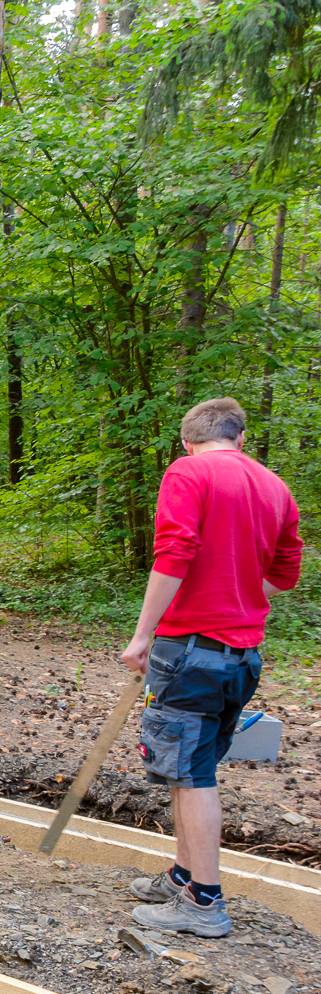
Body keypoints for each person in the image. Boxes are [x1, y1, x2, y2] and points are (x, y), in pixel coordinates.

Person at [122, 398, 303, 939]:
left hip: (191, 651)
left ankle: (203, 900)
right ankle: (183, 876)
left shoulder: (188, 472)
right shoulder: (274, 486)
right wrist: (239, 595)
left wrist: (143, 634)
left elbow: (175, 552)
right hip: (241, 656)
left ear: (187, 441)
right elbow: (285, 573)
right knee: (191, 766)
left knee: (192, 776)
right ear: (240, 438)